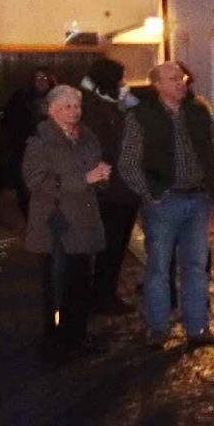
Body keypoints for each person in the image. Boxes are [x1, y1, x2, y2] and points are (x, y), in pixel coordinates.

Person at [117, 60, 214, 347]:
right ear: (157, 85)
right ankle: (158, 327)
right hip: (164, 202)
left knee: (196, 266)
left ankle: (197, 327)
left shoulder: (198, 112)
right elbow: (128, 162)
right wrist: (150, 193)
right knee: (159, 267)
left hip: (198, 198)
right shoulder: (142, 116)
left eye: (181, 78)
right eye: (173, 79)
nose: (180, 83)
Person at [22, 86, 110, 362]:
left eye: (77, 106)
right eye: (67, 107)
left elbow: (94, 171)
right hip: (56, 225)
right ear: (52, 110)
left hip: (84, 221)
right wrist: (83, 180)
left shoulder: (86, 136)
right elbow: (36, 181)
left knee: (80, 285)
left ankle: (77, 337)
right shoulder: (40, 140)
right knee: (58, 287)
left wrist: (101, 177)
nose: (74, 112)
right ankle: (56, 342)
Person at [78, 60, 141, 313]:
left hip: (119, 187)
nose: (123, 82)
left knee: (113, 247)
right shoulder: (95, 107)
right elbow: (106, 146)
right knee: (110, 246)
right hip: (111, 189)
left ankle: (103, 293)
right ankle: (101, 296)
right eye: (120, 78)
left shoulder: (105, 102)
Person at [0, 67, 56, 216]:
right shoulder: (21, 98)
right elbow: (11, 121)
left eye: (45, 78)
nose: (41, 81)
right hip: (26, 147)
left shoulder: (58, 97)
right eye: (38, 78)